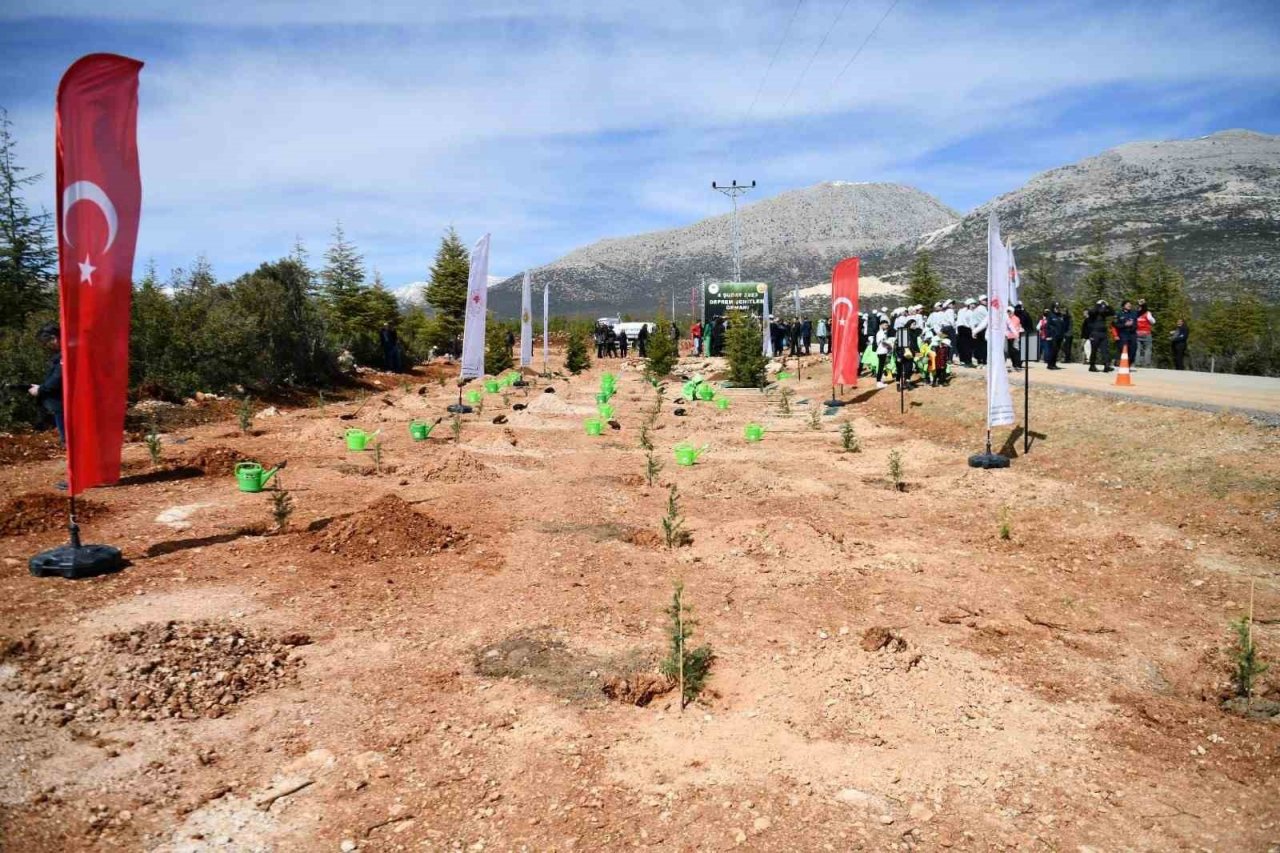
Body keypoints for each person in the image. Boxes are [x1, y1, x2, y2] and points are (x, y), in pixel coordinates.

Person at [28, 323, 65, 446]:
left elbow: (57, 379)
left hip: (62, 402)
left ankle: (65, 440)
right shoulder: (62, 354)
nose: (47, 346)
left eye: (47, 342)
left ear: (54, 338)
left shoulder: (65, 354)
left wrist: (41, 389)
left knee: (58, 408)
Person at [1086, 301, 1115, 372]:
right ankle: (1092, 366)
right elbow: (1091, 312)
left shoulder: (1103, 313)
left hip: (1103, 333)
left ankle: (1106, 365)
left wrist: (1107, 306)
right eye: (1101, 306)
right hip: (1094, 333)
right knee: (1094, 350)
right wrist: (1098, 305)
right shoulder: (1093, 313)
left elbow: (1112, 312)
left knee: (1105, 350)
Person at [1114, 300, 1139, 368]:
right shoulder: (1119, 314)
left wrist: (1143, 305)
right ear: (1123, 306)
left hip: (1132, 334)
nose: (1129, 305)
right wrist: (1125, 325)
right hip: (1123, 334)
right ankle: (1122, 364)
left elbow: (1143, 311)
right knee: (1124, 350)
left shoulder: (1133, 313)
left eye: (1130, 304)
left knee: (1133, 350)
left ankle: (1129, 363)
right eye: (1127, 304)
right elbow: (1115, 325)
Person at [1136, 300, 1156, 367]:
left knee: (1137, 349)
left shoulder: (1136, 313)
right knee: (1147, 349)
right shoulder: (1147, 313)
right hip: (1146, 333)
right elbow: (1153, 321)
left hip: (1137, 333)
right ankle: (1147, 363)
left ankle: (1137, 363)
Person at [971, 295, 990, 366]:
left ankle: (980, 360)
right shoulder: (982, 309)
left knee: (979, 345)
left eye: (986, 300)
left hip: (978, 329)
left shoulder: (976, 309)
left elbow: (972, 321)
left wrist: (974, 330)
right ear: (980, 301)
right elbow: (988, 318)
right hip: (983, 328)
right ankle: (984, 361)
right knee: (984, 345)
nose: (986, 301)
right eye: (984, 300)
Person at [956, 299, 975, 367]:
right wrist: (973, 332)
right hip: (967, 329)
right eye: (972, 304)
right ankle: (968, 361)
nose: (974, 306)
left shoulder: (960, 311)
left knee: (962, 346)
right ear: (969, 305)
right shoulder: (970, 312)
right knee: (968, 346)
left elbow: (958, 321)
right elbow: (971, 323)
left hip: (960, 328)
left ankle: (962, 361)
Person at [874, 320, 893, 388]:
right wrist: (890, 345)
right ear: (881, 325)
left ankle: (880, 380)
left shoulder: (883, 333)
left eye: (887, 325)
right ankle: (878, 381)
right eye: (885, 325)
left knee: (882, 367)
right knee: (881, 367)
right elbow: (883, 342)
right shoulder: (880, 333)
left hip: (883, 351)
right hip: (881, 351)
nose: (886, 326)